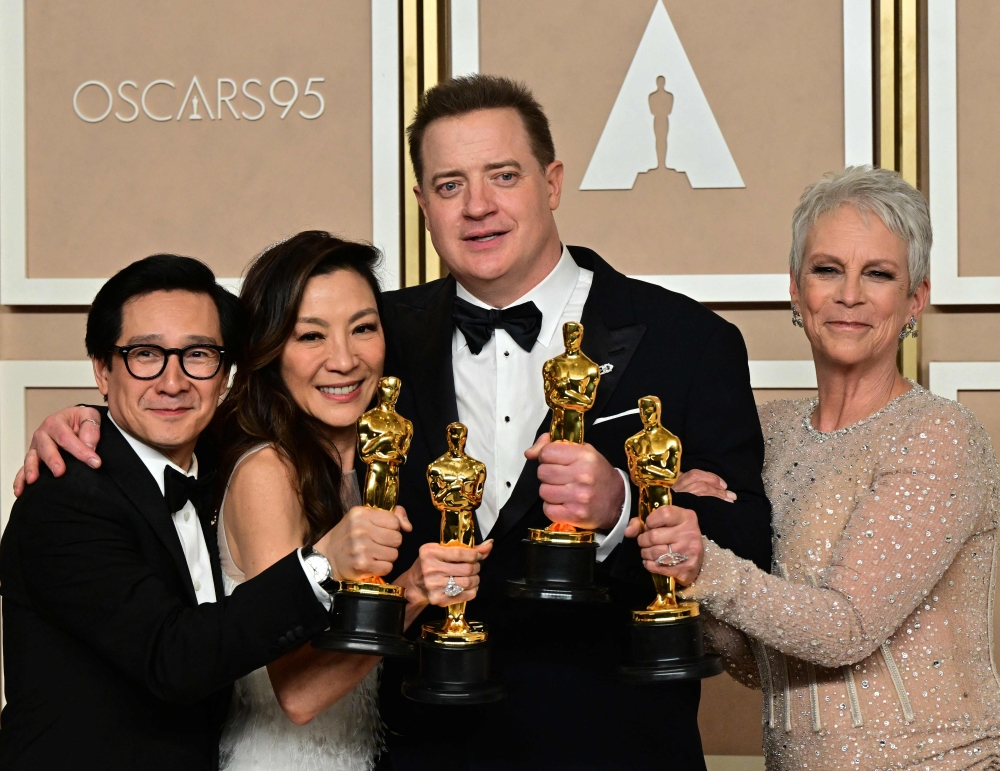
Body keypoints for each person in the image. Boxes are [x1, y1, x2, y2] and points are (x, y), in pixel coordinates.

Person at [17, 76, 771, 770]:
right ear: (423, 202)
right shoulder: (380, 336)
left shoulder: (688, 342)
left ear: (553, 182)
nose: (477, 205)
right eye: (450, 184)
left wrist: (624, 511)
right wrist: (92, 423)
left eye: (502, 175)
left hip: (610, 744)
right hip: (419, 754)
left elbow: (744, 557)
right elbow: (229, 423)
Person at [632, 166, 1000, 769]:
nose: (849, 294)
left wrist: (705, 560)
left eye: (878, 274)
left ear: (916, 300)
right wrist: (680, 527)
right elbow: (759, 664)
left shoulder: (939, 434)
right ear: (796, 290)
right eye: (827, 269)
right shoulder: (767, 432)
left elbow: (846, 630)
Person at [0, 255, 408, 771]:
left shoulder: (217, 462)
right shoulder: (65, 499)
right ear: (103, 370)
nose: (173, 382)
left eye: (198, 354)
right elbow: (175, 659)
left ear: (226, 372)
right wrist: (322, 564)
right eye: (145, 355)